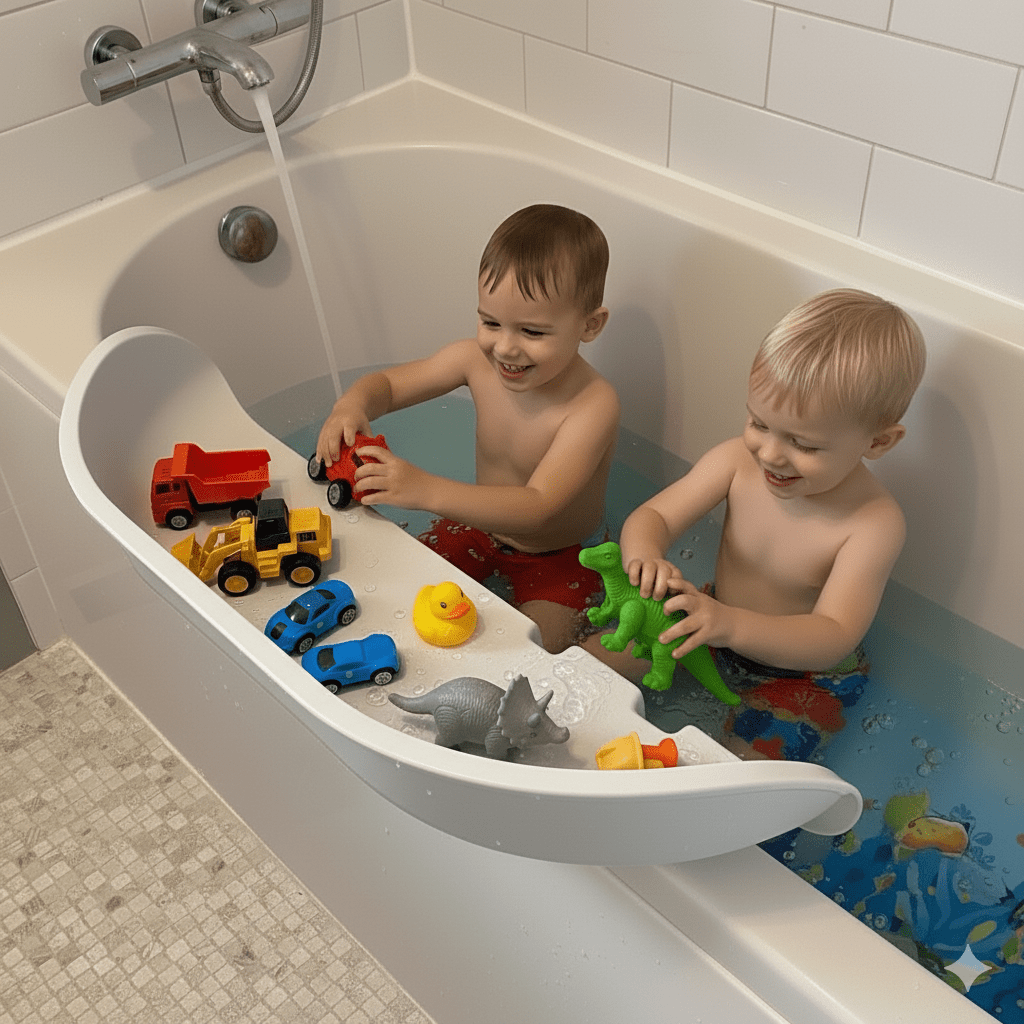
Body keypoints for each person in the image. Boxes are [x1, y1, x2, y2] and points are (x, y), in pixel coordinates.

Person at [610, 289, 926, 760]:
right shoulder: (736, 462)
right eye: (759, 423)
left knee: (741, 780)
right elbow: (652, 517)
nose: (771, 454)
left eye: (805, 444)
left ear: (878, 441)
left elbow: (833, 634)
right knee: (592, 661)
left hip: (807, 676)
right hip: (711, 617)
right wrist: (647, 558)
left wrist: (729, 624)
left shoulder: (873, 523)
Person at [316, 204, 620, 653]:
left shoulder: (593, 405)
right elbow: (387, 384)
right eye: (490, 322)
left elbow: (539, 506)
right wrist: (352, 404)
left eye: (532, 332)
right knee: (398, 598)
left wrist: (423, 490)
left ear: (589, 325)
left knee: (536, 652)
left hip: (563, 556)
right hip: (478, 529)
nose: (505, 347)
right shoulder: (473, 361)